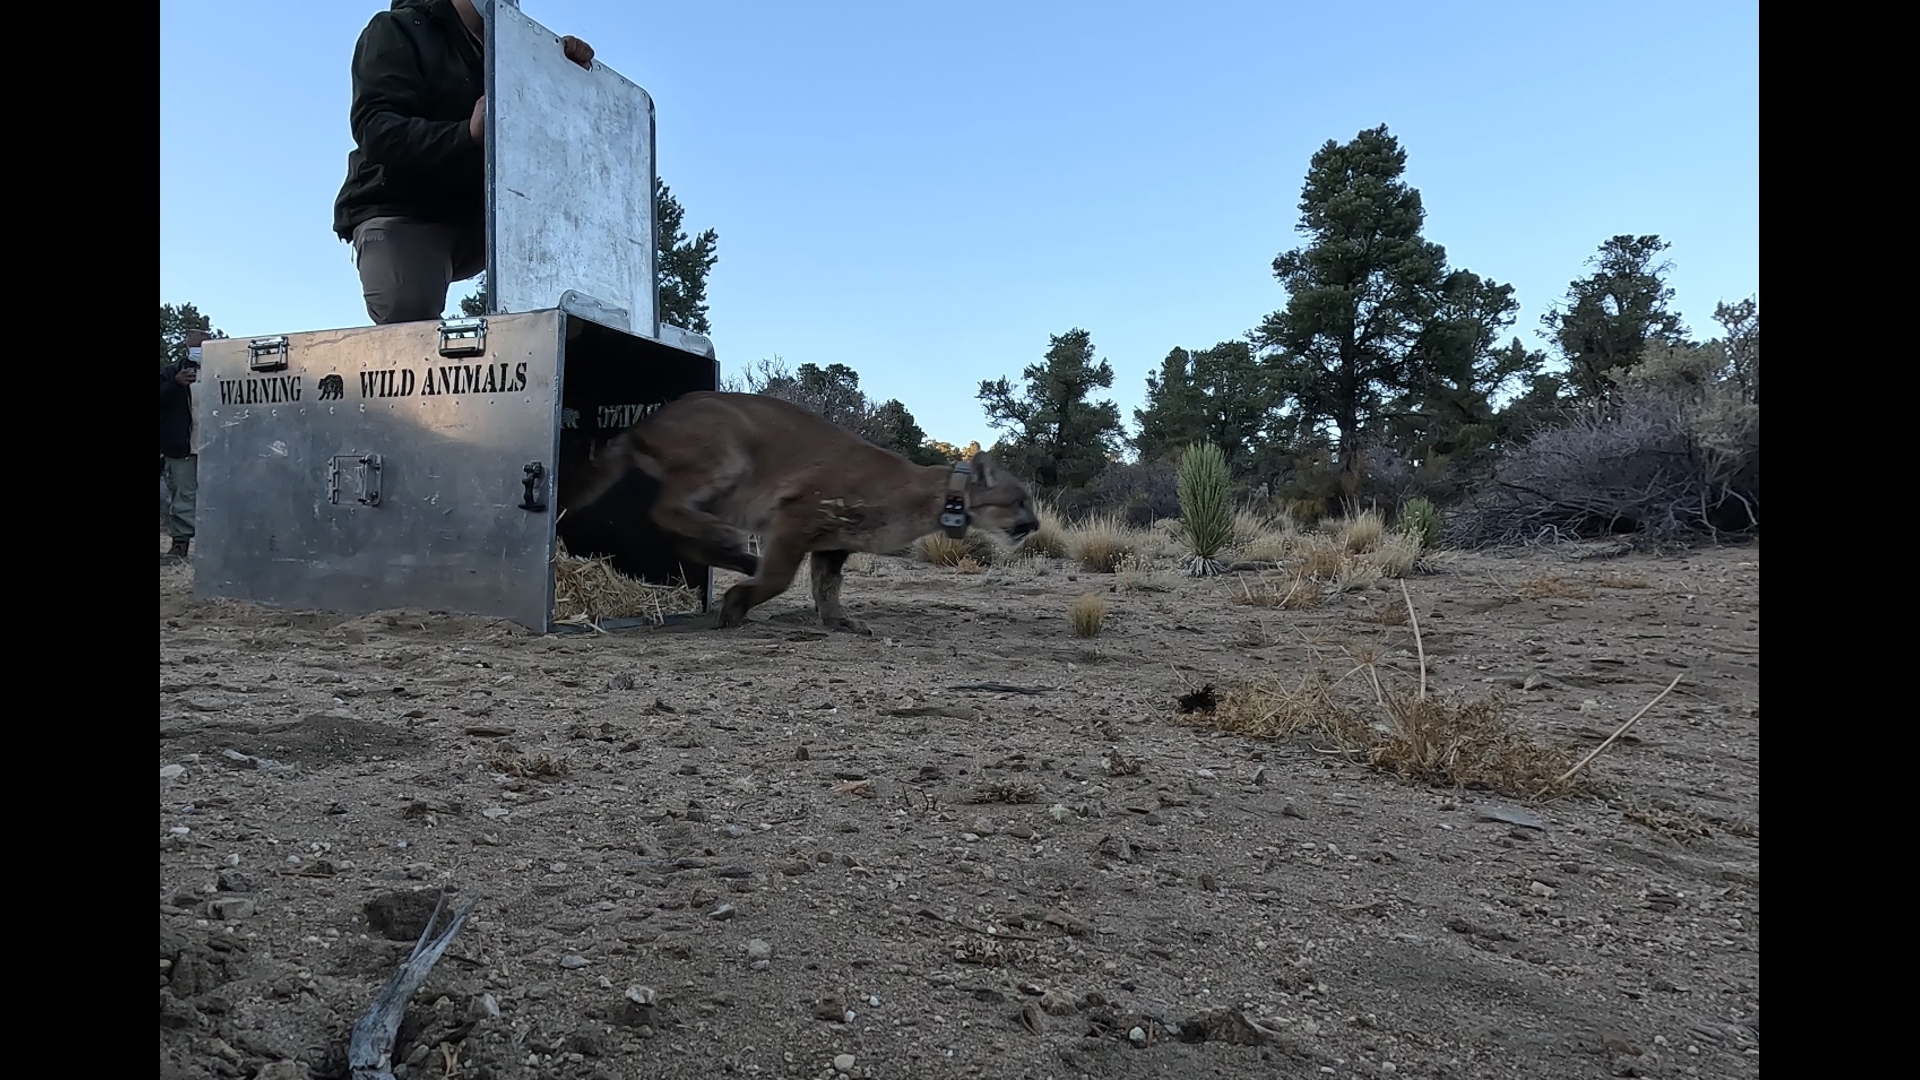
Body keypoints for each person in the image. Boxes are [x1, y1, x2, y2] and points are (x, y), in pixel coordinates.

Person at [332, 0, 594, 325]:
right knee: (406, 306)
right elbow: (378, 132)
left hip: (485, 218)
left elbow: (548, 145)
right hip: (404, 209)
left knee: (569, 306)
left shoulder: (516, 52)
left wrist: (561, 75)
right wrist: (466, 133)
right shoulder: (397, 30)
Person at [160, 331, 207, 561]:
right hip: (183, 447)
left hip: (218, 448)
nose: (198, 349)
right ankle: (180, 546)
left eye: (204, 345)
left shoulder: (227, 370)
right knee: (182, 497)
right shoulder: (170, 371)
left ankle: (219, 546)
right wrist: (175, 384)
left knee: (221, 496)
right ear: (187, 347)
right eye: (194, 346)